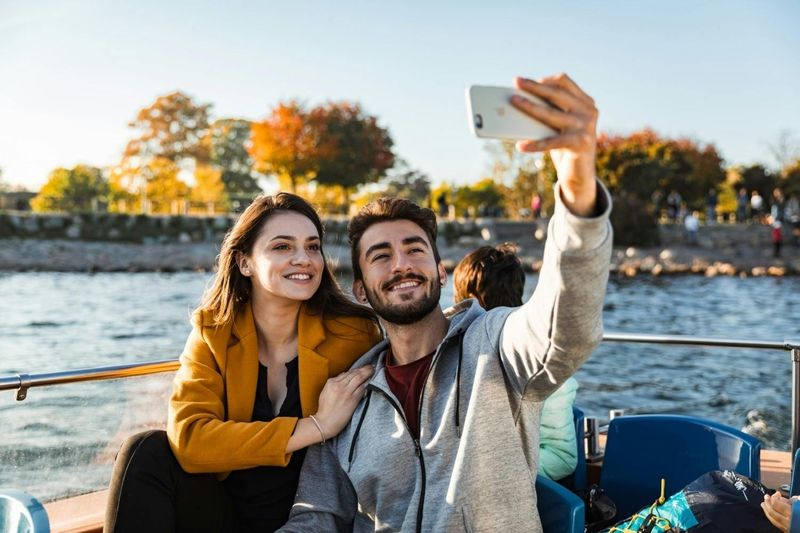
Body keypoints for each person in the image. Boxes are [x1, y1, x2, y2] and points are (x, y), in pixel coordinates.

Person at [279, 73, 612, 532]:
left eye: (415, 249)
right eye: (381, 256)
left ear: (440, 271)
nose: (401, 264)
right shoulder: (346, 397)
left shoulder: (497, 346)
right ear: (360, 290)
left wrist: (577, 185)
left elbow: (566, 324)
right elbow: (317, 515)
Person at [104, 193, 382, 533]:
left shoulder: (354, 334)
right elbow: (190, 440)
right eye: (282, 247)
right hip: (224, 516)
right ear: (244, 262)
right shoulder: (214, 333)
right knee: (145, 450)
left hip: (310, 518)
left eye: (312, 247)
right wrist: (316, 426)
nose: (304, 259)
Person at [452, 243, 580, 482]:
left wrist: (491, 474)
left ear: (471, 301)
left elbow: (562, 458)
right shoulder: (451, 356)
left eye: (456, 302)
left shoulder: (539, 360)